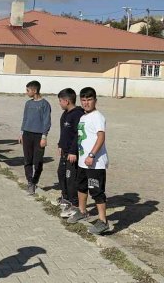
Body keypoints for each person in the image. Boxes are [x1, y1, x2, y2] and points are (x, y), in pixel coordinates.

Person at [67, 87, 110, 235]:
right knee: (81, 187)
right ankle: (82, 211)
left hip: (95, 163)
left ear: (95, 101)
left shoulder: (98, 116)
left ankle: (103, 221)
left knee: (96, 191)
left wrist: (91, 155)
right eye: (83, 100)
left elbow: (101, 137)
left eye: (89, 100)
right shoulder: (83, 117)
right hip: (82, 162)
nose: (86, 103)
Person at [19, 80, 52, 196]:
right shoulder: (28, 103)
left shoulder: (45, 104)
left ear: (35, 90)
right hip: (27, 134)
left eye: (28, 90)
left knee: (37, 161)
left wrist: (44, 136)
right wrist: (21, 133)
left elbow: (47, 121)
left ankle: (35, 180)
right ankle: (30, 182)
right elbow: (25, 118)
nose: (26, 92)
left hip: (38, 136)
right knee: (27, 160)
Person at [56, 89, 85, 218]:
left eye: (60, 101)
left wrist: (73, 151)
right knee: (61, 174)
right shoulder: (65, 114)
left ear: (66, 101)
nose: (59, 103)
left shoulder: (77, 114)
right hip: (64, 152)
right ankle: (65, 199)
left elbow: (78, 135)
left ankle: (74, 204)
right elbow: (64, 133)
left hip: (72, 154)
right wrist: (60, 145)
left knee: (71, 179)